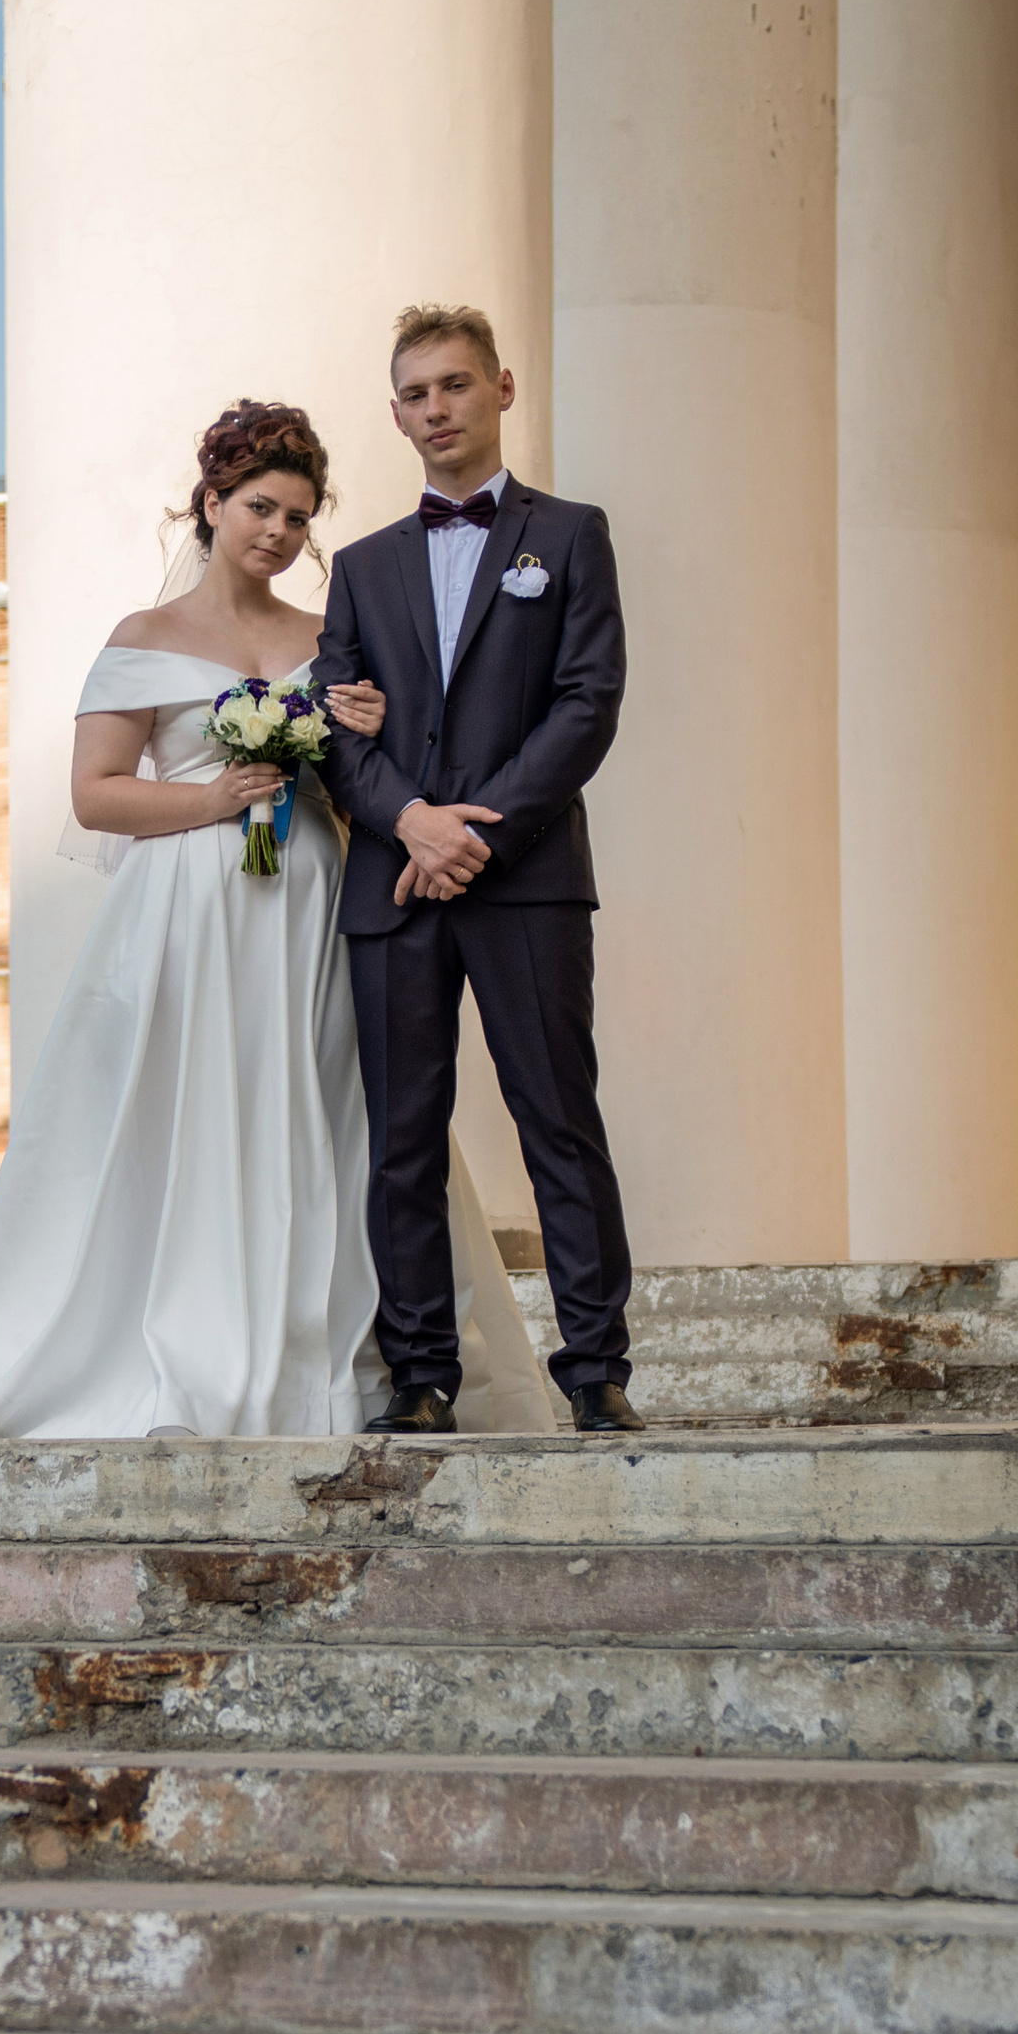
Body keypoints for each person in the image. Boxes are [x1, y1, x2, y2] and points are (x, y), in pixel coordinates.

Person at [0, 397, 553, 1441]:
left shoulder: (327, 638)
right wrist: (216, 797)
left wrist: (368, 734)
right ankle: (187, 1337)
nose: (278, 532)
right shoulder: (143, 638)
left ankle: (342, 1351)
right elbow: (95, 795)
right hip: (187, 913)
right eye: (260, 506)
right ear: (211, 503)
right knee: (194, 1109)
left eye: (299, 517)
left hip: (310, 902)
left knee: (331, 1109)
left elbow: (369, 787)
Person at [316, 305, 643, 1436]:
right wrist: (412, 822)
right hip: (393, 886)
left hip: (528, 879)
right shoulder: (359, 568)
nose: (436, 409)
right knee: (402, 1137)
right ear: (396, 413)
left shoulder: (573, 535)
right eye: (415, 393)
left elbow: (586, 704)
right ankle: (420, 1375)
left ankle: (595, 1368)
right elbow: (336, 727)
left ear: (501, 388)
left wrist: (477, 837)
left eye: (455, 384)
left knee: (558, 1118)